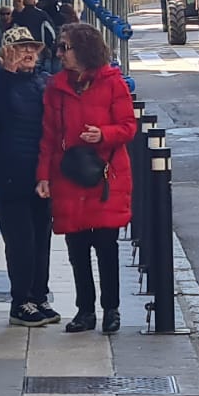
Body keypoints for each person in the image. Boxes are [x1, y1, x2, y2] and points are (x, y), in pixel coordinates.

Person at [37, 23, 135, 335]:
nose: (59, 53)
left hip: (105, 175)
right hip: (69, 175)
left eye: (65, 47)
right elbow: (49, 136)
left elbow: (128, 126)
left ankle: (111, 309)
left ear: (83, 49)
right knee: (77, 248)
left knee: (106, 245)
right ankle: (85, 310)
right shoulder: (56, 87)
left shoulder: (112, 83)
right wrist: (43, 176)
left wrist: (103, 134)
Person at [0, 28, 58, 327]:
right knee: (20, 241)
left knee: (41, 239)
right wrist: (6, 74)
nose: (28, 53)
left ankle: (38, 296)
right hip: (9, 175)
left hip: (40, 175)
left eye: (32, 48)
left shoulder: (44, 81)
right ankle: (20, 301)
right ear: (5, 53)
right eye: (20, 48)